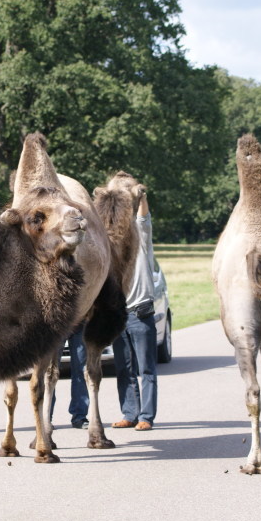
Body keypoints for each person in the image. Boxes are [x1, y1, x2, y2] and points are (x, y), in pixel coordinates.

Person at [110, 185, 157, 431]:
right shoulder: (114, 245)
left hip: (141, 313)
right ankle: (129, 413)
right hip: (120, 315)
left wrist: (141, 197)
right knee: (123, 369)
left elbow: (143, 219)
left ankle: (146, 417)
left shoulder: (141, 238)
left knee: (146, 369)